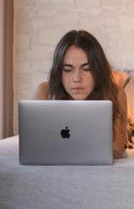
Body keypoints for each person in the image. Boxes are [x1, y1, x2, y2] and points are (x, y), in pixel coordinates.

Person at [34, 30, 128, 159]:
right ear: (58, 71)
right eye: (67, 69)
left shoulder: (116, 93)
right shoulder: (45, 91)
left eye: (87, 68)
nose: (77, 78)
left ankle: (117, 77)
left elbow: (116, 150)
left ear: (98, 70)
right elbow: (35, 145)